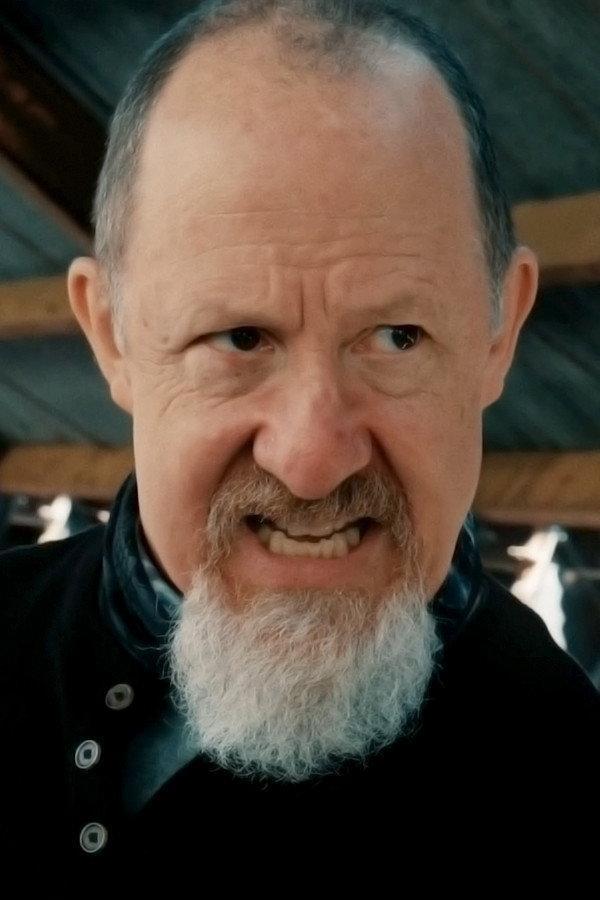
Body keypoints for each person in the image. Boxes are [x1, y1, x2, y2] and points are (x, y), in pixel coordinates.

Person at [1, 0, 598, 869]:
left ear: (498, 333)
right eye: (240, 337)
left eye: (396, 337)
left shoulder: (570, 786)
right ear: (110, 336)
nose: (312, 460)